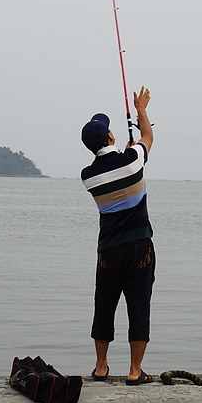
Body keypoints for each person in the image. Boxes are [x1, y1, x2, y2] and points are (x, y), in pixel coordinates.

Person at [80, 86, 155, 386]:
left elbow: (118, 166)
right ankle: (135, 372)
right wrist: (141, 110)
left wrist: (126, 152)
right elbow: (148, 139)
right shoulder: (133, 160)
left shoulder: (88, 176)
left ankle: (101, 368)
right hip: (139, 248)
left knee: (104, 305)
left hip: (108, 250)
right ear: (110, 137)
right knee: (139, 307)